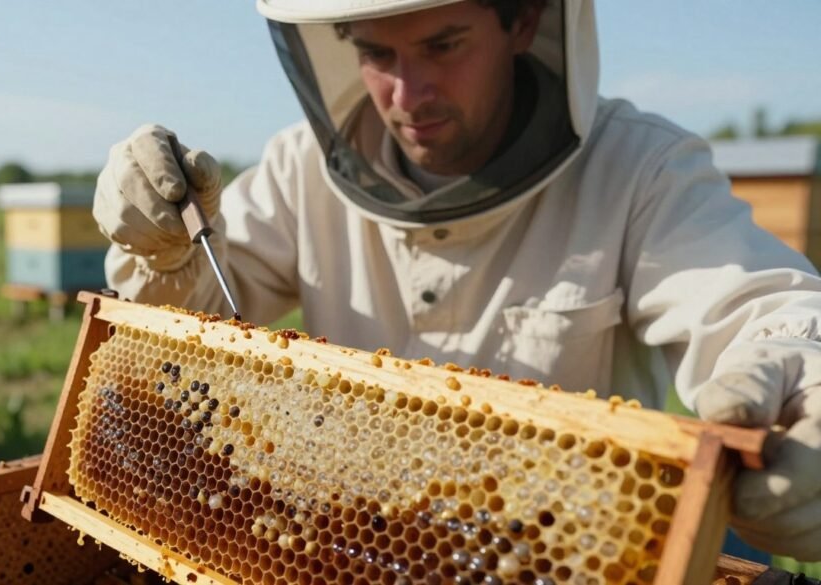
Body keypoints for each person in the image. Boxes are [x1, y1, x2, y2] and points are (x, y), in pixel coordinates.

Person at [93, 0, 821, 561]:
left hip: (570, 557)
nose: (410, 93)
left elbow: (759, 302)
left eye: (444, 45)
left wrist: (806, 384)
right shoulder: (296, 171)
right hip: (354, 553)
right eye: (377, 53)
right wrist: (161, 252)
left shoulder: (640, 171)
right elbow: (190, 320)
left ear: (524, 19)